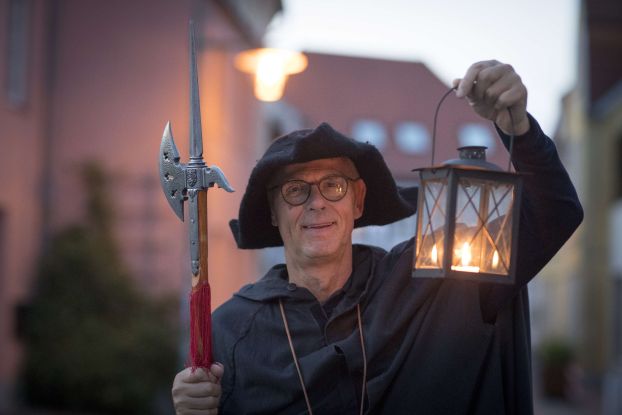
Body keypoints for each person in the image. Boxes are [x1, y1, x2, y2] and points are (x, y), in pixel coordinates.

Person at [171, 60, 583, 414]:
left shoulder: (438, 280)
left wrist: (518, 129)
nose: (316, 203)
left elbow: (554, 213)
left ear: (359, 200)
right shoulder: (230, 330)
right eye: (296, 191)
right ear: (274, 213)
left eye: (334, 186)